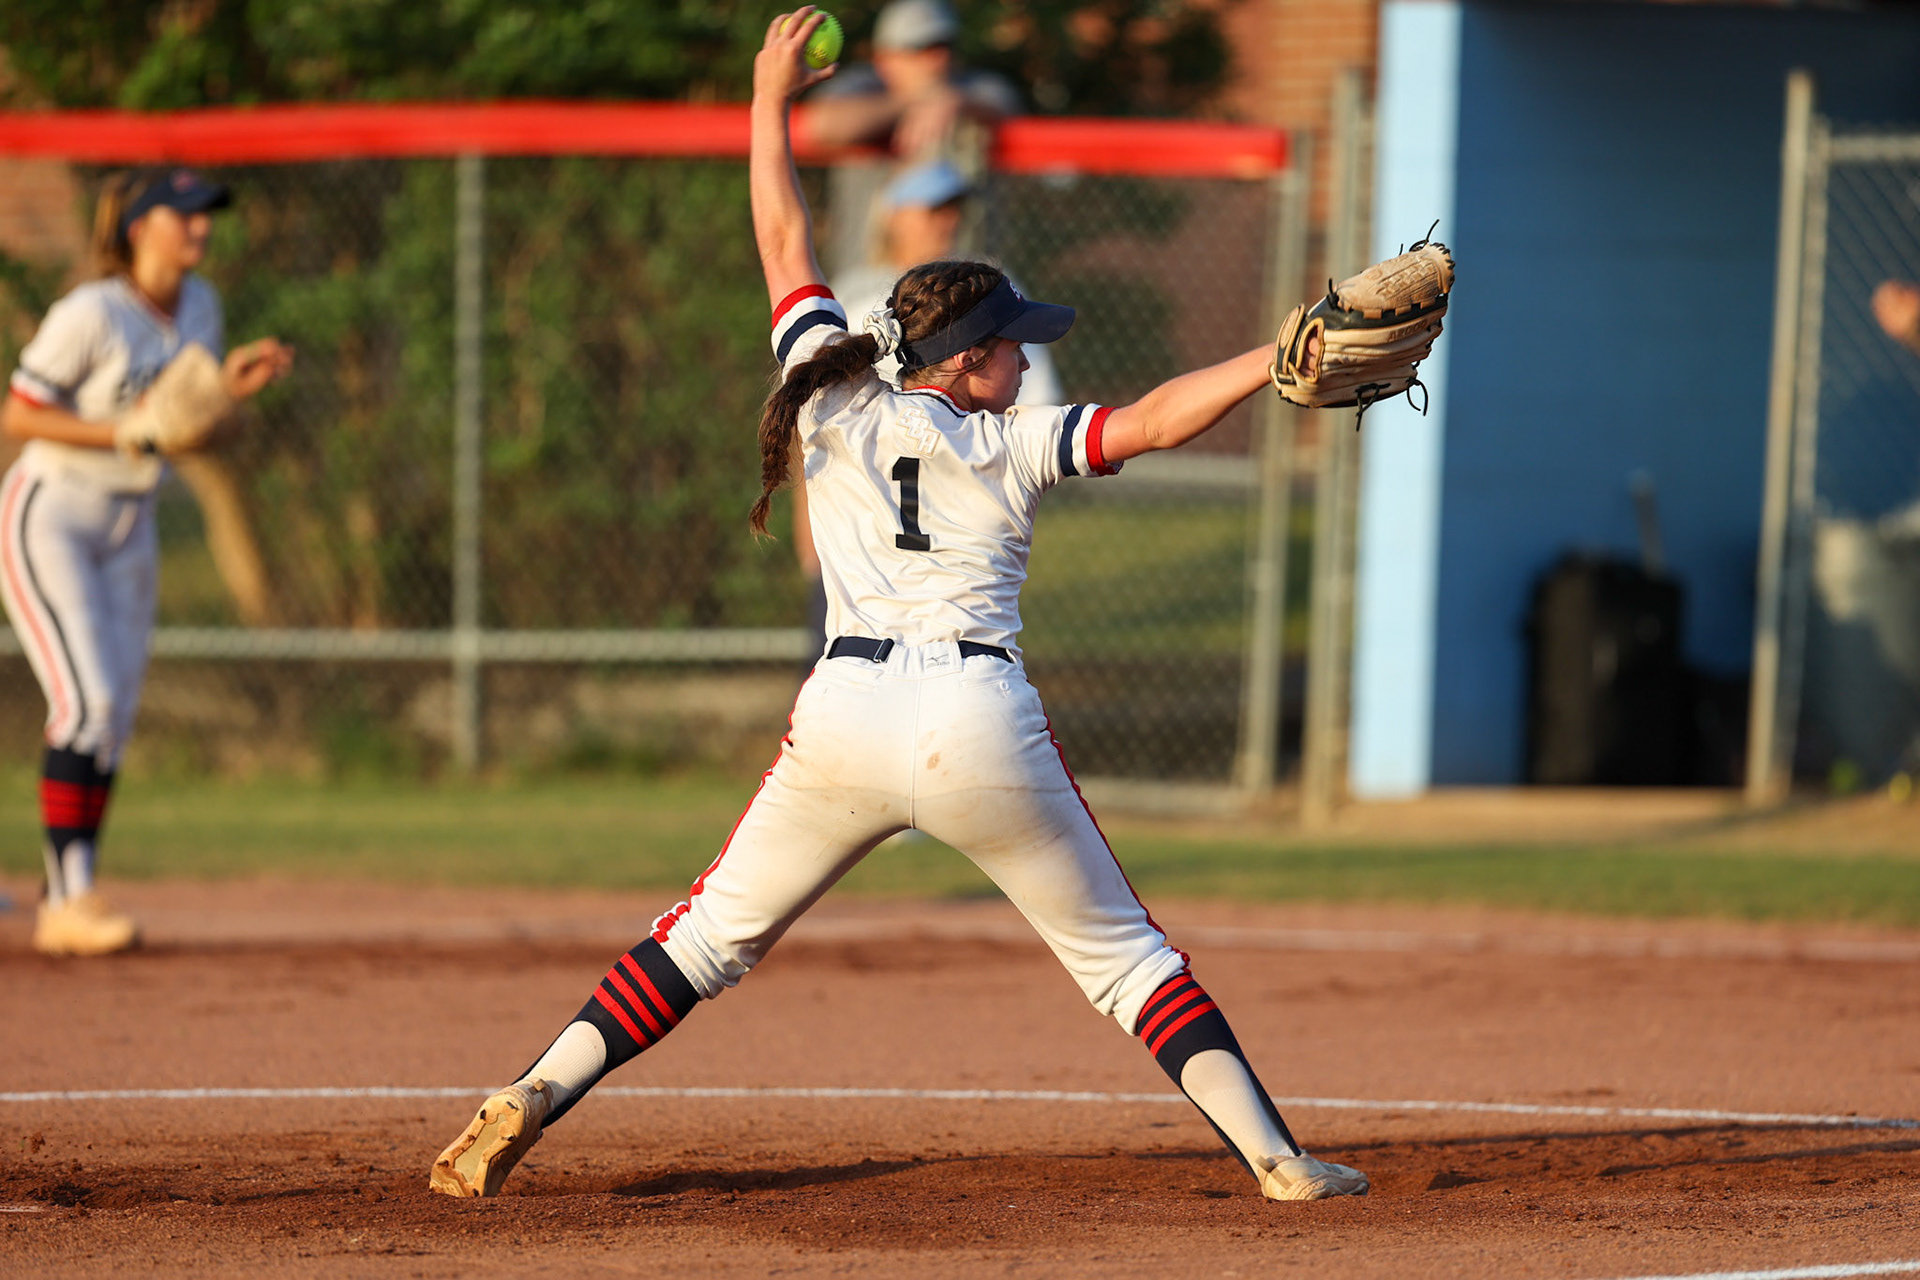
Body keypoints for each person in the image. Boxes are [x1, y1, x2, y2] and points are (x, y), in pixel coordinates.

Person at [428, 9, 1365, 1205]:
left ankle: (532, 1092)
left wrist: (768, 95)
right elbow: (1160, 416)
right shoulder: (1011, 442)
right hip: (979, 717)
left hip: (846, 712)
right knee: (1128, 962)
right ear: (967, 361)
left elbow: (780, 227)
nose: (1026, 360)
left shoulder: (831, 392)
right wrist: (1276, 351)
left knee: (704, 939)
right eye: (1012, 345)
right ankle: (1279, 1158)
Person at [1, 167, 293, 956]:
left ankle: (73, 890)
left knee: (115, 719)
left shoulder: (201, 308)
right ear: (138, 227)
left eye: (206, 213)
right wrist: (127, 433)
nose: (201, 226)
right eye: (184, 213)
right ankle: (67, 902)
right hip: (52, 513)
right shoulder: (91, 312)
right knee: (85, 704)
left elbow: (181, 421)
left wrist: (230, 392)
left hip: (130, 522)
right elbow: (19, 412)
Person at [800, 0, 1021, 164]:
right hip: (872, 226)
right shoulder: (863, 83)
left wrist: (958, 103)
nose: (939, 58)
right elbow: (821, 125)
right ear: (884, 57)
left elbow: (1007, 106)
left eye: (945, 46)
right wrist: (912, 101)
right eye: (921, 48)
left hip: (964, 227)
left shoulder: (973, 86)